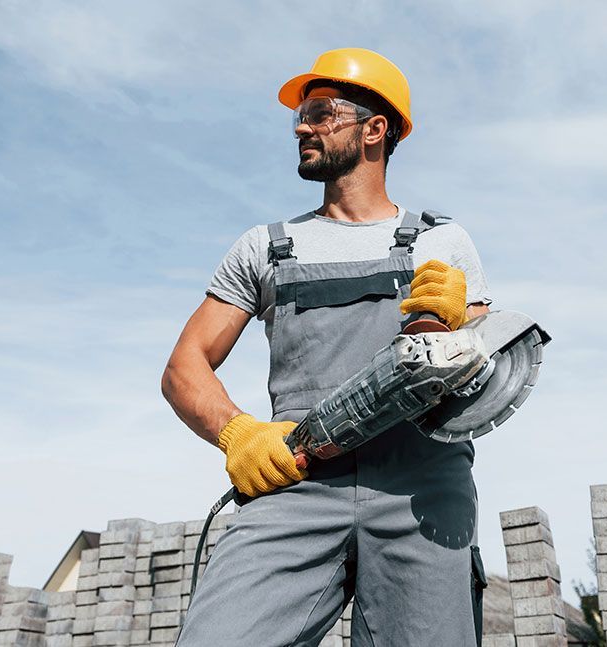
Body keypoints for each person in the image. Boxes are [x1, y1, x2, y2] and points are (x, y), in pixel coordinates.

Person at [163, 48, 493, 647]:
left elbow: (485, 378)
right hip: (296, 477)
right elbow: (185, 365)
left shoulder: (440, 241)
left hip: (420, 489)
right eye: (301, 116)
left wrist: (458, 330)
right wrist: (238, 434)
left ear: (374, 129)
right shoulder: (266, 247)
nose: (301, 128)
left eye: (320, 114)